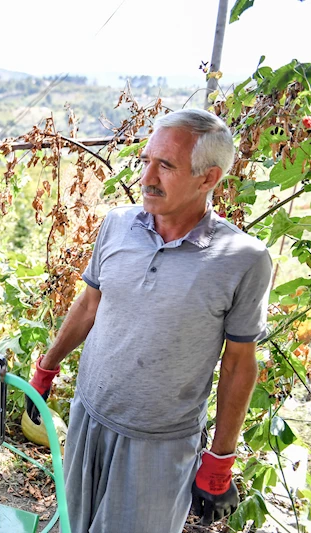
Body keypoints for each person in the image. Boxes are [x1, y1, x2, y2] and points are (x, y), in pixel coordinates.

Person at [27, 109, 272, 532]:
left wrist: (220, 459)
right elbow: (89, 304)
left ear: (208, 178)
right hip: (89, 417)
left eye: (167, 166)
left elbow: (238, 363)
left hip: (160, 443)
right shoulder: (118, 225)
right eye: (146, 161)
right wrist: (46, 370)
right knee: (72, 524)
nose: (147, 177)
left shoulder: (242, 260)